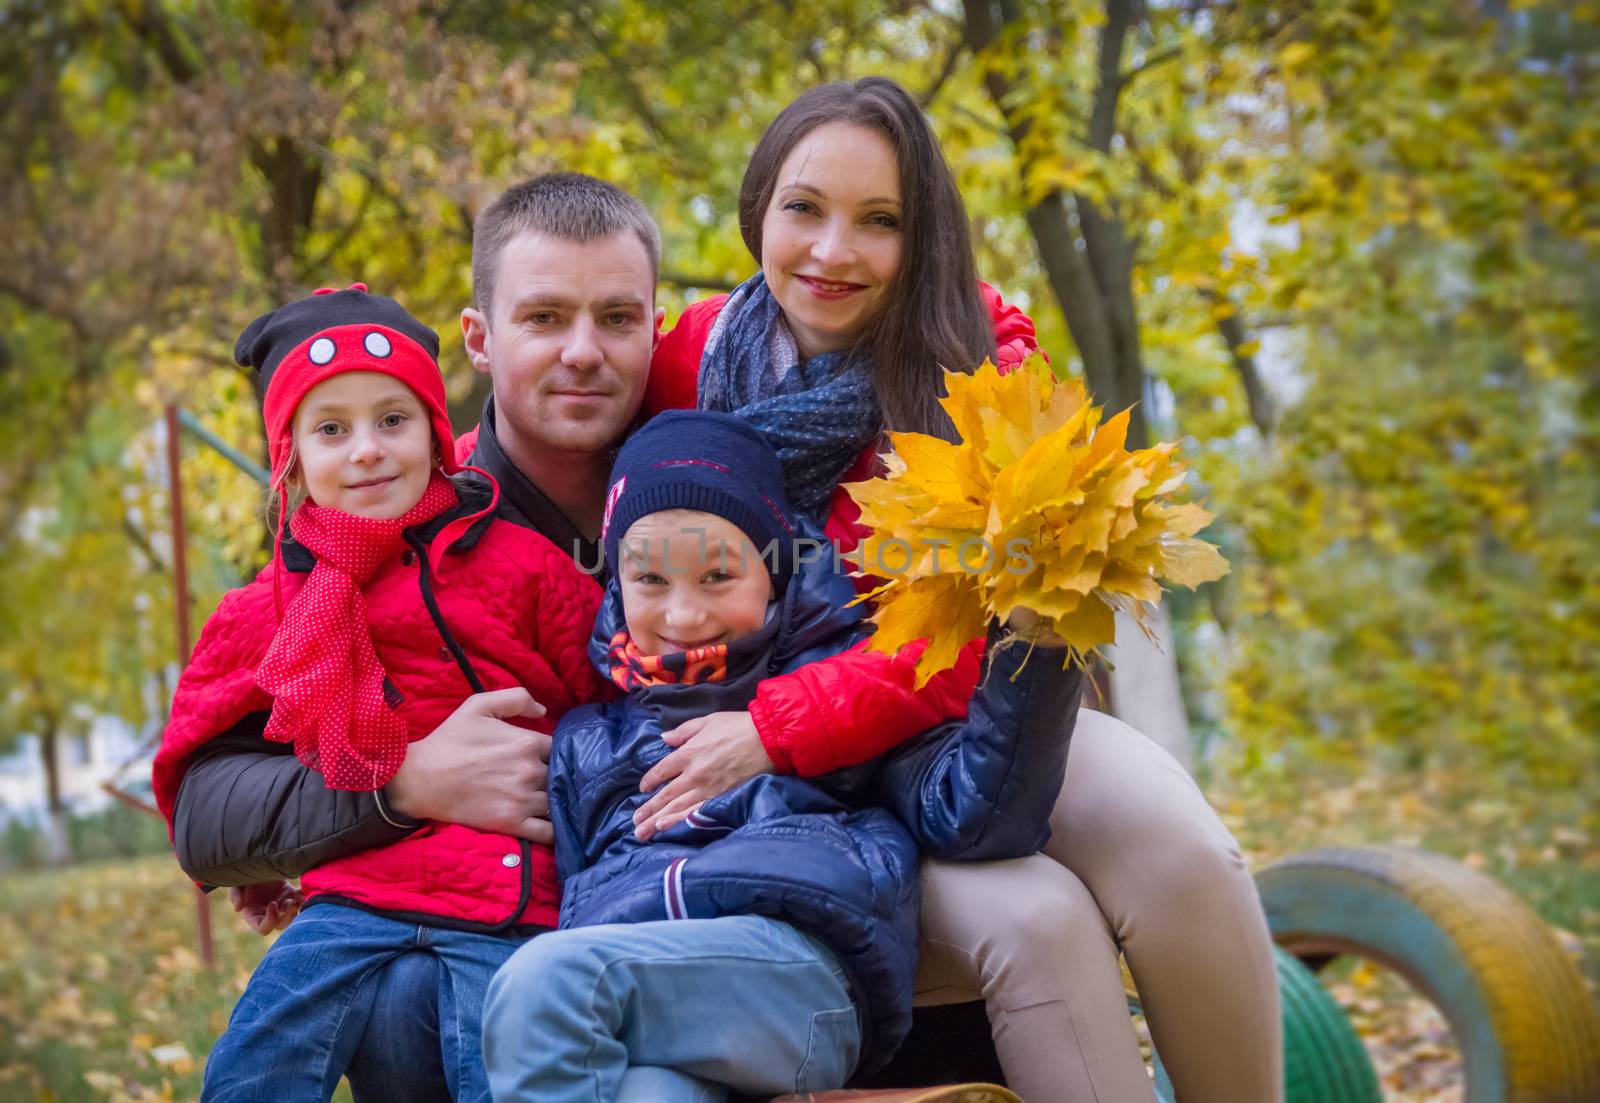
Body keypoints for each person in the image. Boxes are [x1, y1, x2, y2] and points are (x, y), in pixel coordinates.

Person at [635, 77, 1283, 1103]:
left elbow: (965, 642)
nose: (832, 251)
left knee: (1183, 848)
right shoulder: (680, 361)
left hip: (958, 723)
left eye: (879, 221)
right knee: (1038, 919)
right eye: (804, 208)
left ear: (922, 235)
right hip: (790, 770)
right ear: (758, 205)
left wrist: (777, 724)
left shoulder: (978, 362)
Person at [163, 175, 666, 1102]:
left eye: (392, 422)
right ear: (293, 462)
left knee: (508, 1062)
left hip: (509, 895)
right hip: (359, 897)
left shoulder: (513, 561)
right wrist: (404, 781)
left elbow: (617, 694)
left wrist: (571, 785)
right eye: (332, 430)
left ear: (435, 436)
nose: (366, 451)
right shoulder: (276, 601)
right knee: (254, 1061)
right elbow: (203, 792)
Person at [480, 410, 1082, 1102]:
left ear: (776, 574)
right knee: (648, 1092)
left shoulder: (838, 699)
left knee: (546, 982)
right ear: (616, 580)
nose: (681, 615)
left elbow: (978, 812)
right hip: (637, 989)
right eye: (649, 578)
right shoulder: (587, 741)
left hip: (797, 978)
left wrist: (1037, 645)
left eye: (716, 576)